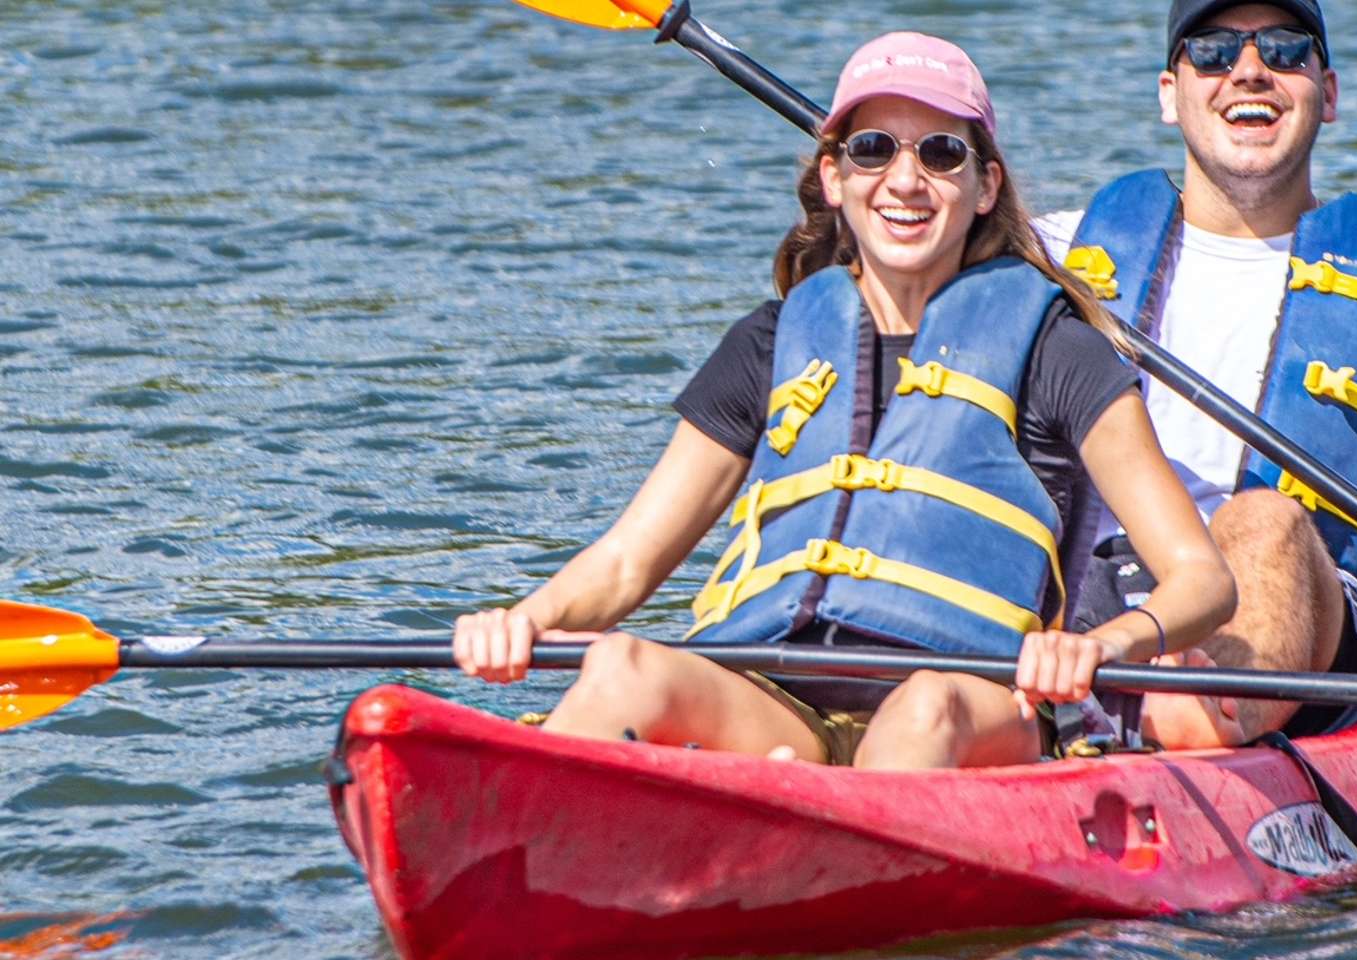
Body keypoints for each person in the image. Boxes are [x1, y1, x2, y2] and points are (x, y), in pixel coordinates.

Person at [453, 32, 1235, 769]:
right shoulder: (769, 343)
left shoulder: (1056, 348)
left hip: (969, 702)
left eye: (940, 153)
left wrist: (1104, 647)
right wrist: (523, 622)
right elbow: (627, 563)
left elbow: (1201, 577)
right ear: (835, 178)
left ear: (986, 185)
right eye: (872, 150)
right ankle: (511, 846)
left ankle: (858, 868)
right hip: (775, 693)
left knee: (923, 709)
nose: (904, 180)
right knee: (625, 666)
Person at [1037, 0, 1357, 748]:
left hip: (1305, 635)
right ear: (1170, 91)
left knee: (1264, 519)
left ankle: (1169, 728)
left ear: (1329, 92)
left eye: (1285, 50)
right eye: (1215, 51)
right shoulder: (1047, 257)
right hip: (1082, 608)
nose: (1249, 70)